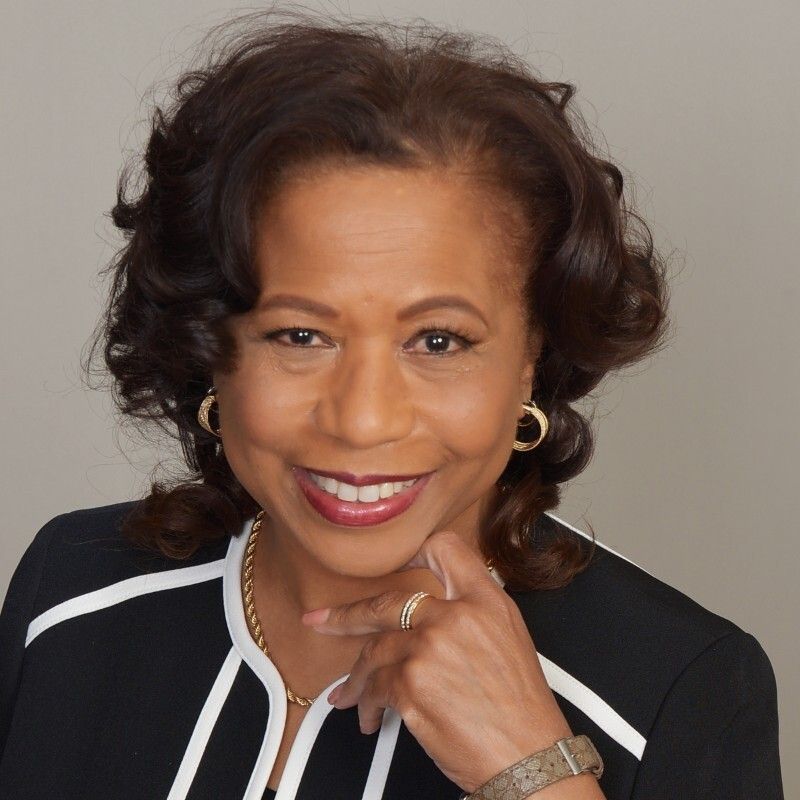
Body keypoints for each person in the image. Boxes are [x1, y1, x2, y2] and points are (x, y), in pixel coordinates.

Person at [0, 9, 784, 800]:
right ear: (209, 345)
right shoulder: (70, 593)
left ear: (531, 361)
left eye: (438, 341)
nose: (363, 419)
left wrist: (536, 774)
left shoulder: (683, 691)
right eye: (300, 334)